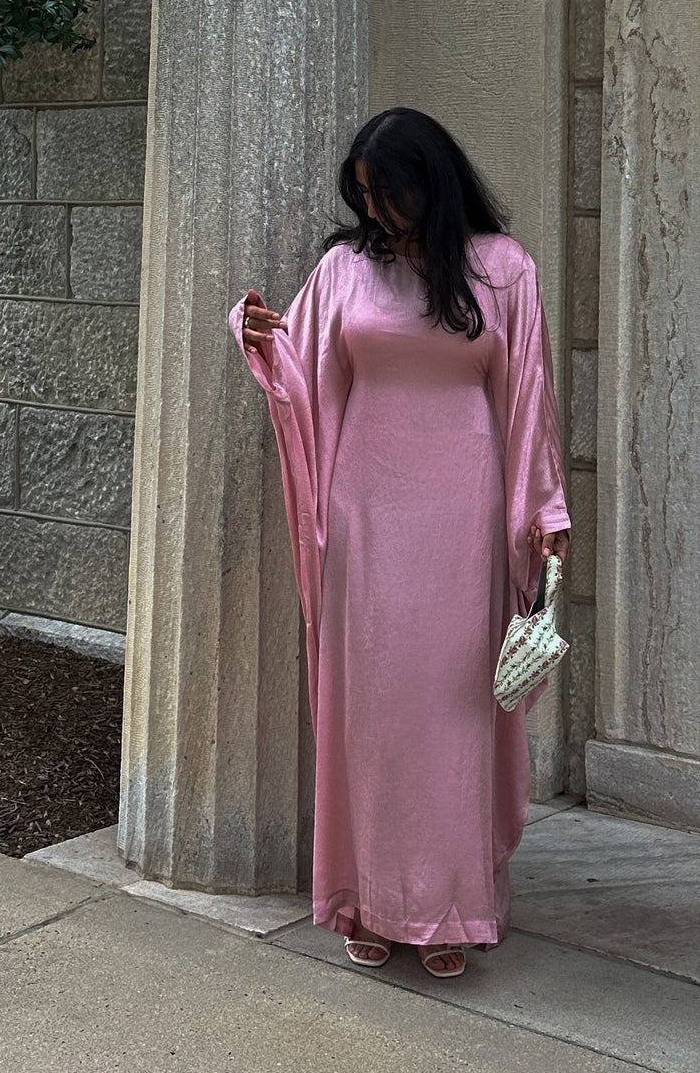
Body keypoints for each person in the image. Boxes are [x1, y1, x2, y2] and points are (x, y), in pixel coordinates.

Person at [230, 106, 570, 979]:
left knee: (453, 711)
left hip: (463, 514)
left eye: (391, 192)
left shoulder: (503, 269)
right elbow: (301, 368)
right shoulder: (347, 266)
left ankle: (452, 905)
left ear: (432, 179)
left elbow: (527, 393)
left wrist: (541, 511)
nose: (376, 211)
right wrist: (256, 334)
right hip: (365, 517)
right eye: (365, 195)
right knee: (372, 711)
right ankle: (367, 896)